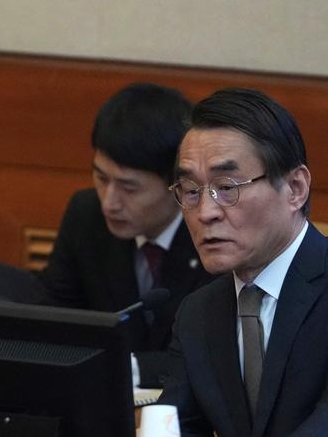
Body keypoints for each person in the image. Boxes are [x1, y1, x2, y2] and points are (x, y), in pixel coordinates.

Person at [158, 88, 326, 437]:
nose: (205, 213)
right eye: (191, 191)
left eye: (227, 186)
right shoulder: (199, 313)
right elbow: (173, 427)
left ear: (295, 188)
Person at [39, 83, 212, 388]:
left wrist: (121, 368)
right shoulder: (86, 214)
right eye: (101, 178)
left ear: (179, 185)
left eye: (129, 188)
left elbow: (210, 356)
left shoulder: (213, 232)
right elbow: (55, 318)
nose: (109, 202)